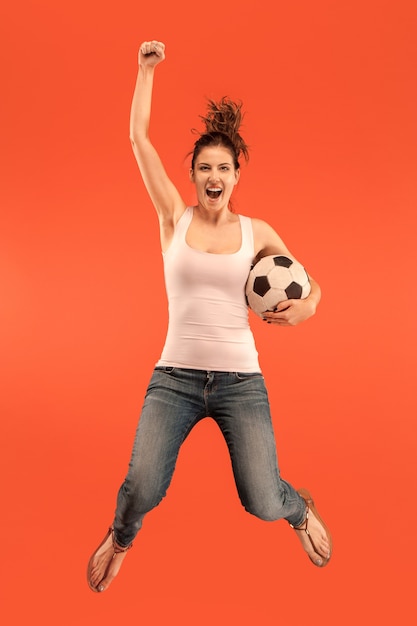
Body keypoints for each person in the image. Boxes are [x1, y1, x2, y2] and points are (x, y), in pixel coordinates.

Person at [87, 40, 332, 593]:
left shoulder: (258, 234)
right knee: (140, 488)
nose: (213, 175)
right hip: (173, 378)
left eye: (224, 167)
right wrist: (145, 71)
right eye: (204, 168)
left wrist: (305, 310)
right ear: (194, 176)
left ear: (236, 174)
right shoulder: (173, 218)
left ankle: (299, 510)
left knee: (262, 499)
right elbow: (137, 140)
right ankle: (122, 536)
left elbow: (312, 287)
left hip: (240, 382)